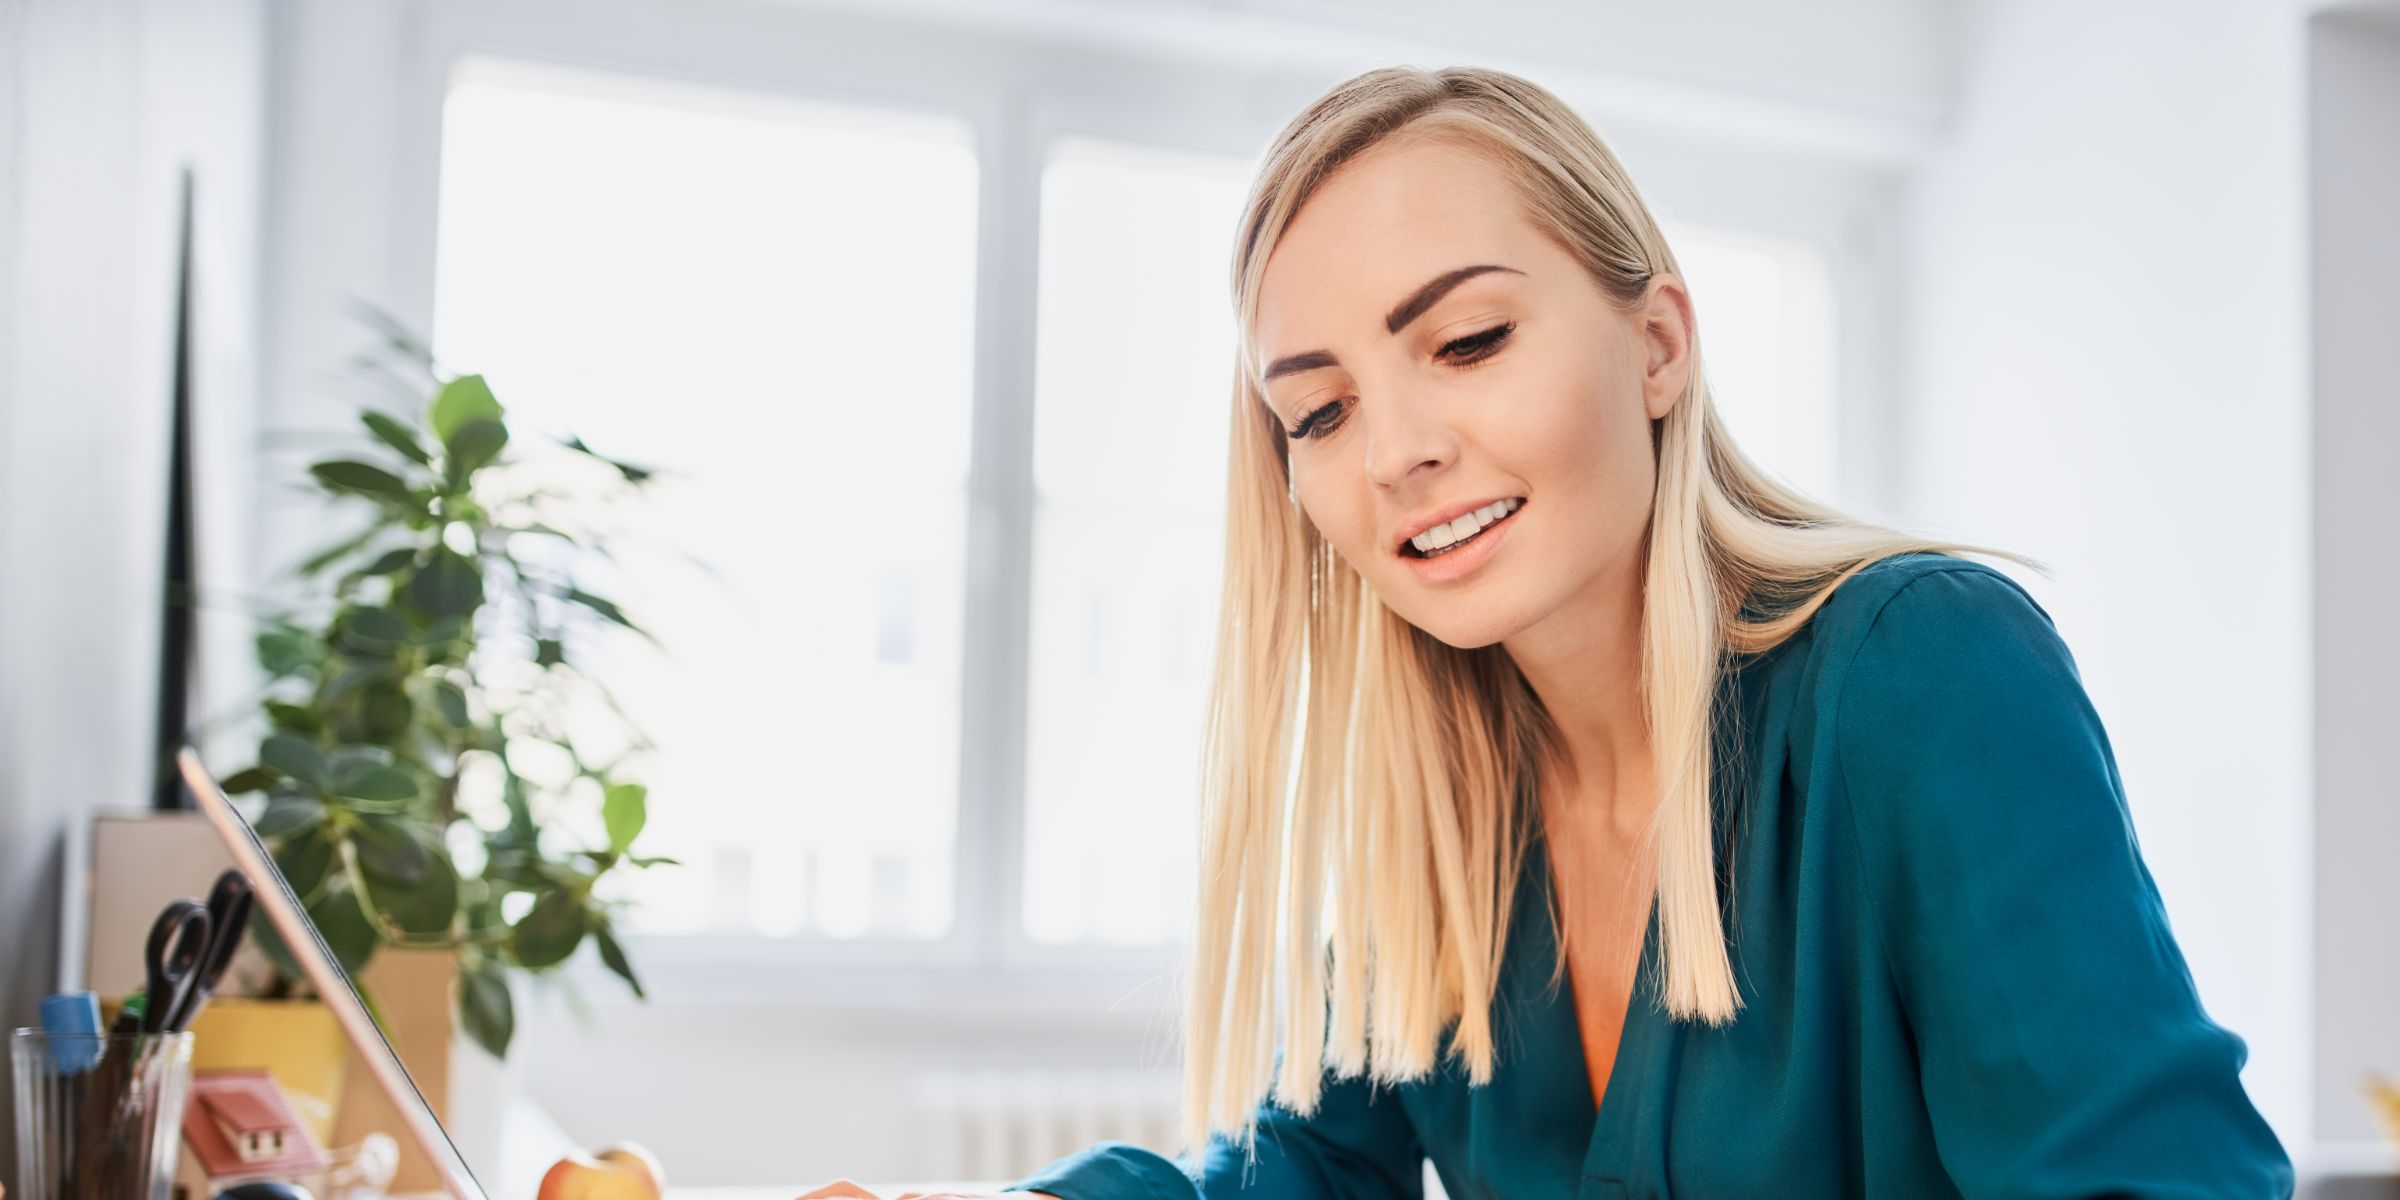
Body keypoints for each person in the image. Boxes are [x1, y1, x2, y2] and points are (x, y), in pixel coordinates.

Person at [807, 63, 2294, 1199]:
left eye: (1465, 341)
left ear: (1657, 346)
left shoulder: (1925, 675)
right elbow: (1307, 1176)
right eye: (1317, 411)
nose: (1392, 451)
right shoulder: (1441, 814)